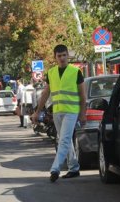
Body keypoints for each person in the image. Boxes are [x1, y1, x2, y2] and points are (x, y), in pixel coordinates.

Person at [31, 44, 86, 183]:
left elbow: (82, 95)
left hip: (71, 111)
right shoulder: (51, 73)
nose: (62, 58)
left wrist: (83, 113)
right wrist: (37, 111)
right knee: (64, 139)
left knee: (64, 140)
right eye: (59, 56)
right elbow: (45, 93)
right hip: (57, 111)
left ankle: (55, 169)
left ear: (68, 55)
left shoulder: (76, 72)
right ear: (55, 57)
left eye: (64, 55)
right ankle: (74, 168)